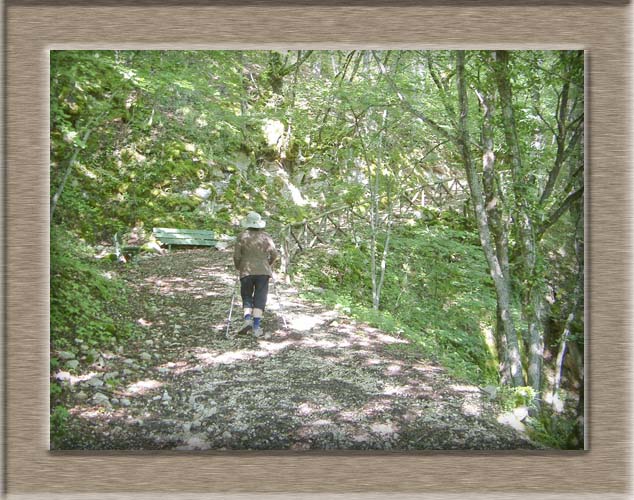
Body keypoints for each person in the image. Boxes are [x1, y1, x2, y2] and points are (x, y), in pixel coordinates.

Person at [233, 211, 279, 339]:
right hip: (263, 271)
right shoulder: (266, 237)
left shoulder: (242, 236)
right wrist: (267, 264)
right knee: (260, 298)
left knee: (247, 296)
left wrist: (239, 267)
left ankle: (247, 320)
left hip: (246, 271)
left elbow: (237, 256)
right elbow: (274, 254)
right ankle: (256, 327)